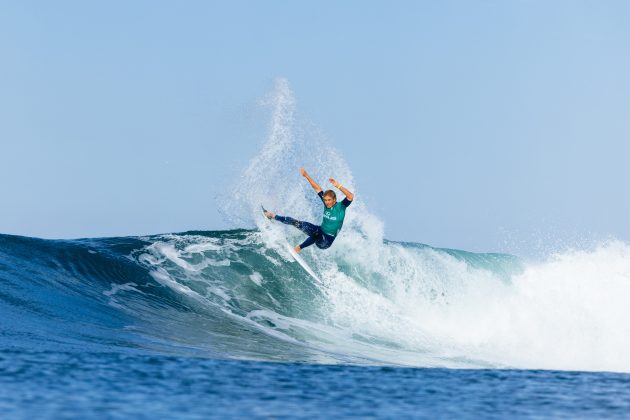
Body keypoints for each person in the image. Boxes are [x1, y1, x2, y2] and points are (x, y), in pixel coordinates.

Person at [264, 167, 354, 253]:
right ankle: (273, 216)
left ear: (334, 199)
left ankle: (299, 248)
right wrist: (306, 175)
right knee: (297, 223)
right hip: (319, 230)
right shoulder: (326, 204)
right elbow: (317, 188)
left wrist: (338, 185)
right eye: (325, 200)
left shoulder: (341, 206)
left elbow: (350, 196)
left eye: (329, 200)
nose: (327, 202)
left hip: (326, 241)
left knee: (316, 233)